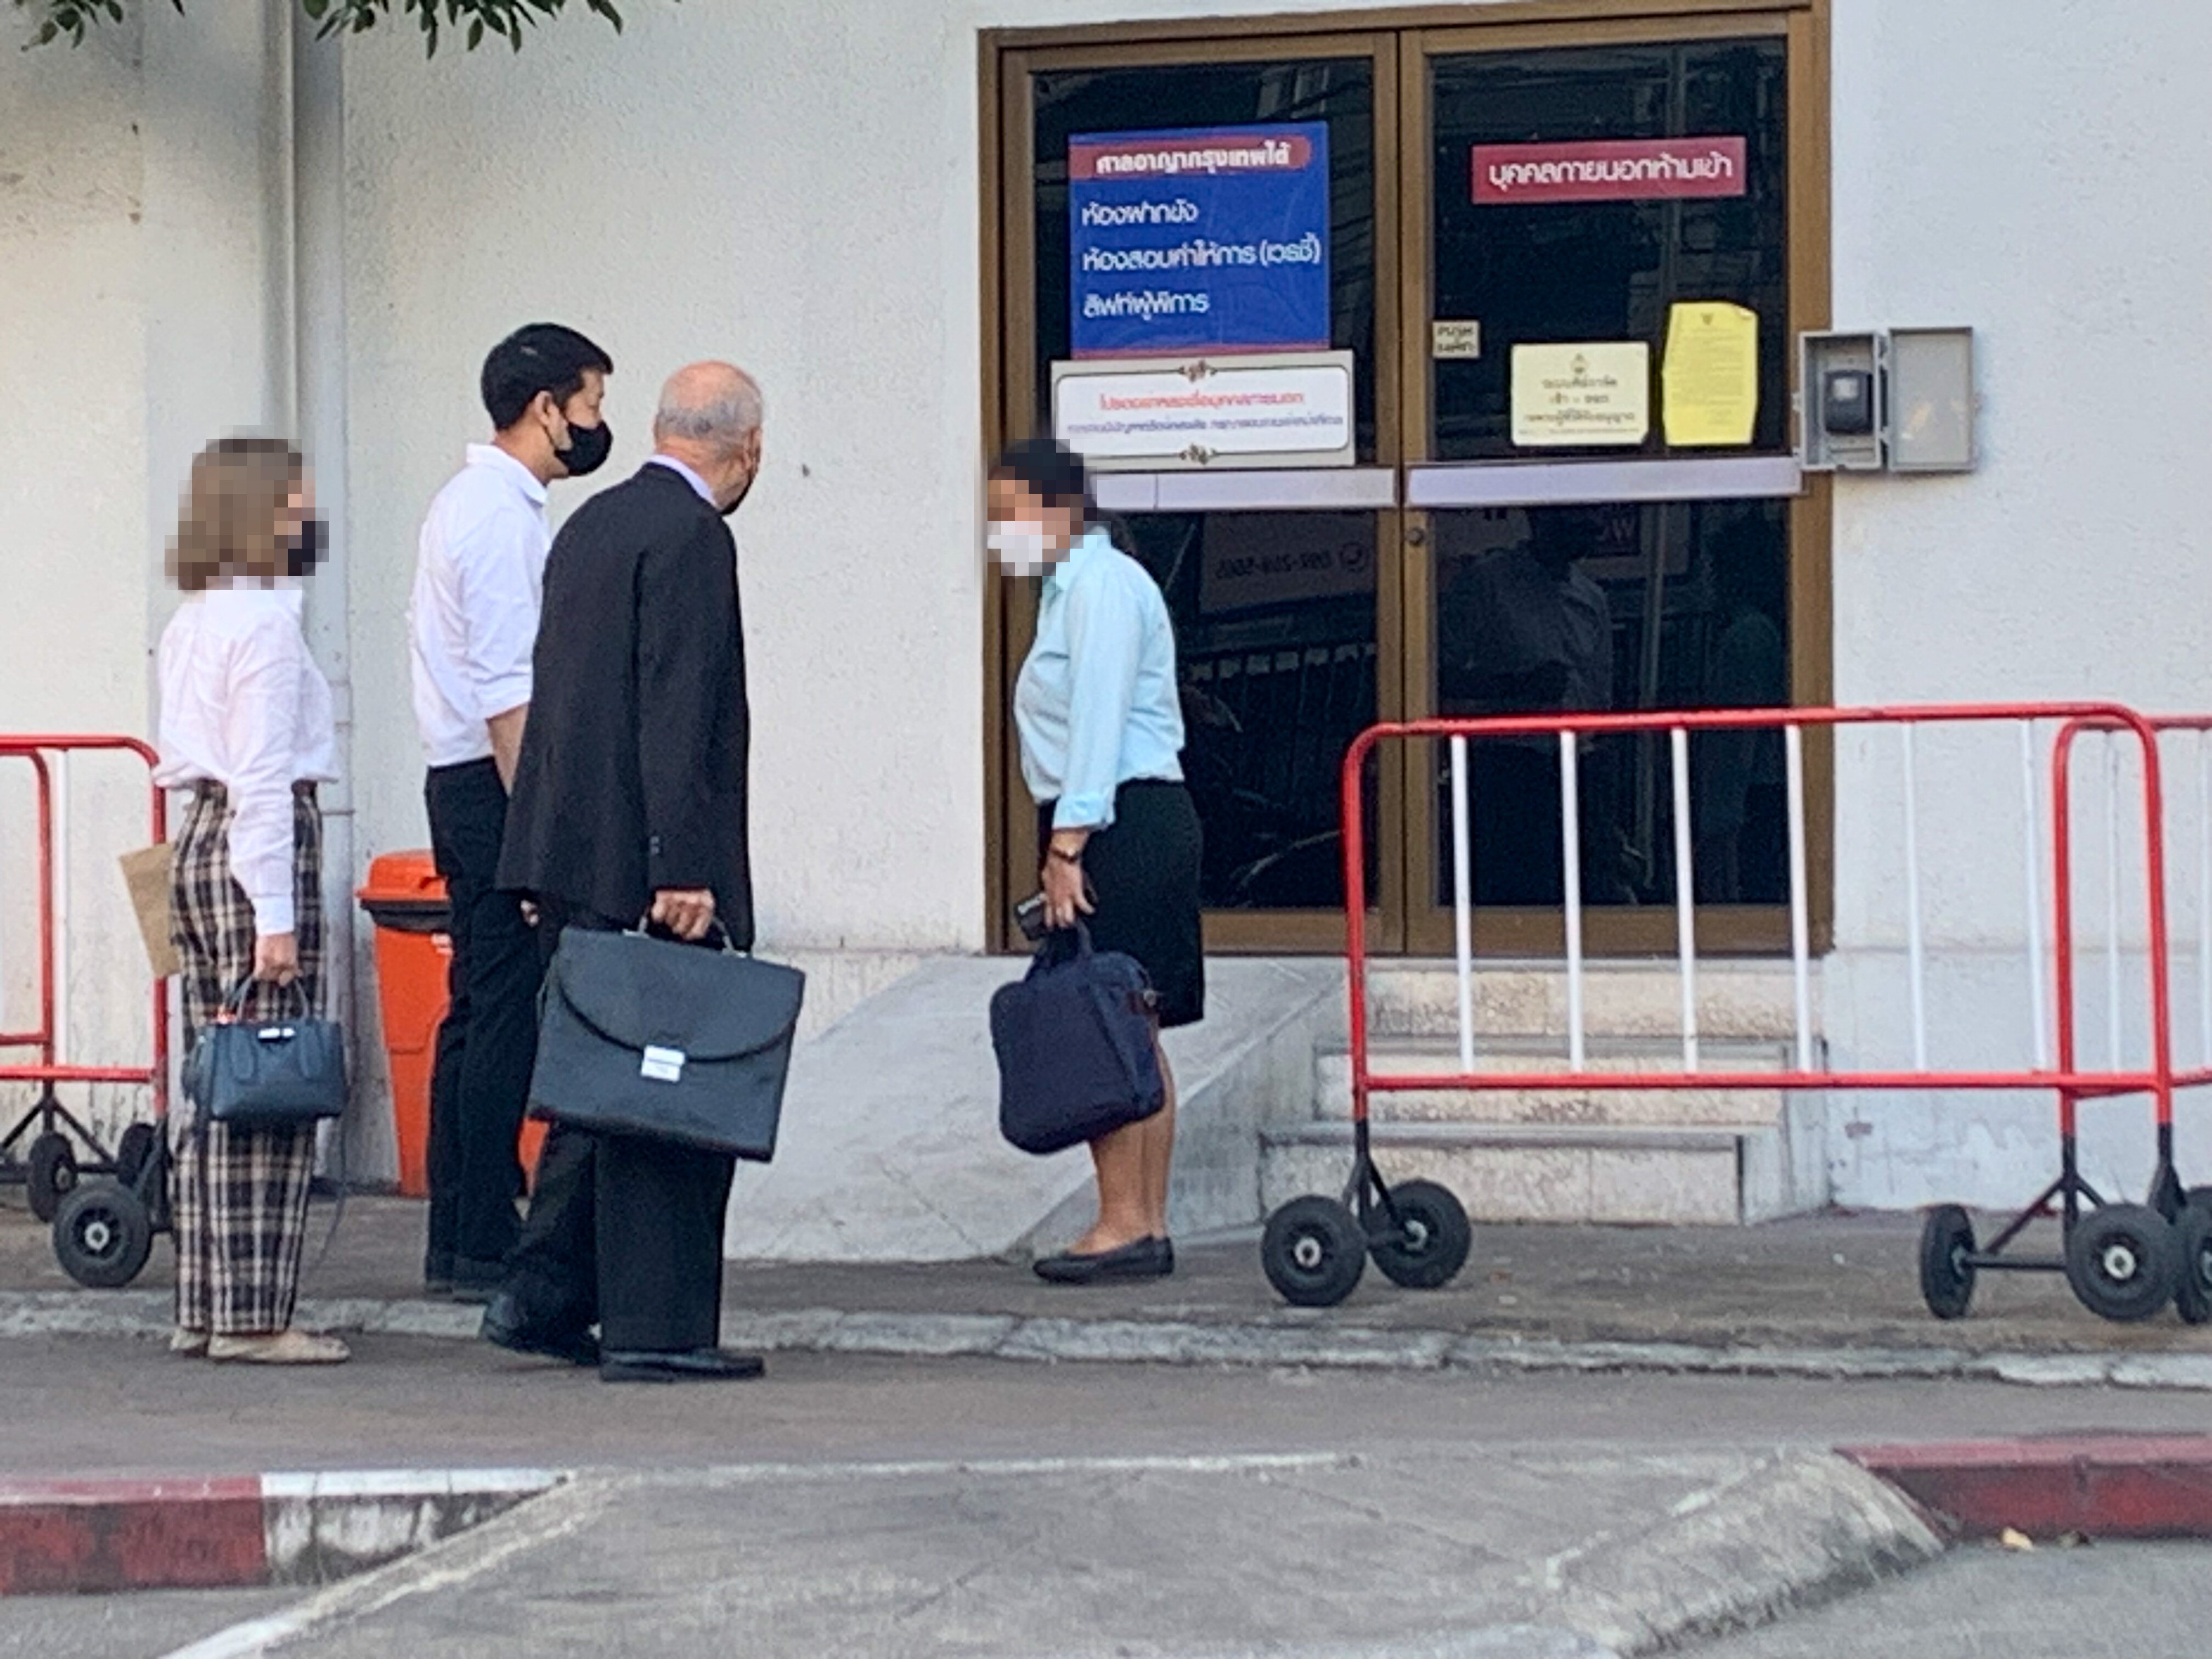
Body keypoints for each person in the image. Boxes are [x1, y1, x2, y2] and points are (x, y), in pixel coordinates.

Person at [478, 361, 766, 1384]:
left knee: (593, 1080)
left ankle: (542, 1292)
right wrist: (685, 868)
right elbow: (676, 710)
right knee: (647, 1092)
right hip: (643, 863)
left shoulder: (588, 525)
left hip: (569, 851)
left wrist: (531, 851)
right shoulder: (694, 537)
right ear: (748, 450)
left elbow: (553, 695)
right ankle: (618, 1307)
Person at [409, 323, 614, 1300]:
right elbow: (507, 689)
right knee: (504, 1016)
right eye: (592, 405)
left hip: (463, 777)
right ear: (547, 409)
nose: (595, 424)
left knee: (478, 1008)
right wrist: (543, 829)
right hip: (491, 782)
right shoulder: (495, 516)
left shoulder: (481, 504)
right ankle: (485, 1232)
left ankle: (462, 1228)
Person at [153, 436, 346, 1364]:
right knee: (269, 1081)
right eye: (298, 501)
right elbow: (264, 772)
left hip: (197, 834)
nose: (310, 517)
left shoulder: (196, 617)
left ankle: (205, 1301)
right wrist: (276, 913)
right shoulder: (265, 624)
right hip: (253, 843)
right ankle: (256, 1316)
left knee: (215, 1074)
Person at [991, 437, 1203, 1285]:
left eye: (1009, 515)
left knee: (1107, 1020)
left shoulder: (1101, 585)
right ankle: (1140, 1221)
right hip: (1122, 812)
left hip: (1118, 817)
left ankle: (1124, 1222)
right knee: (1132, 1024)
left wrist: (1065, 845)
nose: (1000, 533)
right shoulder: (1071, 589)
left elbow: (1098, 721)